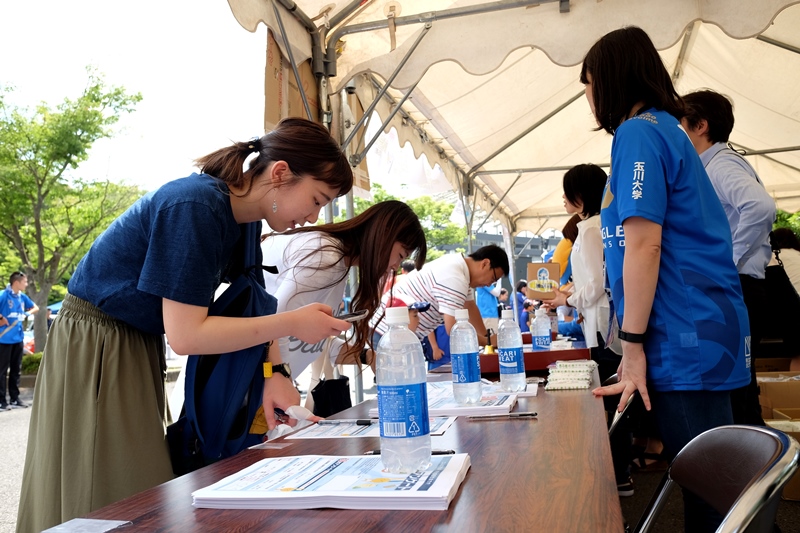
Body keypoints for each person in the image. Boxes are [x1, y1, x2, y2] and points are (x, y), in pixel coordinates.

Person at [16, 117, 354, 533]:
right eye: (317, 199)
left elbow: (253, 304)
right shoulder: (195, 206)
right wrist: (293, 323)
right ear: (281, 173)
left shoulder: (243, 219)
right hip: (98, 339)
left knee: (134, 490)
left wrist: (276, 372)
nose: (315, 215)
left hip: (135, 339)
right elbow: (187, 335)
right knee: (106, 490)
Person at [583, 27, 750, 531]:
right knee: (714, 483)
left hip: (685, 330)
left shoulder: (639, 133)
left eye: (588, 82)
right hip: (697, 324)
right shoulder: (666, 131)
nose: (587, 95)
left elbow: (644, 244)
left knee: (710, 490)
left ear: (610, 79)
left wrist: (632, 343)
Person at [261, 200, 427, 393]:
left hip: (260, 390)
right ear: (385, 234)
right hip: (251, 391)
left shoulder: (337, 263)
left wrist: (368, 356)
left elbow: (312, 345)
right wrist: (279, 376)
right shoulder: (325, 257)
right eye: (400, 255)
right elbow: (273, 328)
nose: (395, 267)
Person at [681, 89, 776, 426]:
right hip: (737, 287)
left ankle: (754, 458)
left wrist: (725, 262)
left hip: (739, 286)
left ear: (701, 125)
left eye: (681, 124)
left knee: (738, 393)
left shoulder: (721, 164)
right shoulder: (712, 165)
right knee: (738, 390)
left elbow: (761, 207)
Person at [542, 164, 631, 495]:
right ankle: (617, 472)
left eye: (568, 192)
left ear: (581, 195)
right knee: (609, 400)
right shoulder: (589, 228)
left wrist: (568, 298)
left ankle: (619, 474)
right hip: (598, 325)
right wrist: (573, 300)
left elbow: (595, 285)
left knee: (612, 401)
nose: (564, 199)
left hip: (606, 328)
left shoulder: (593, 229)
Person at [371, 245, 510, 350]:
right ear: (485, 263)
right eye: (493, 278)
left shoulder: (459, 268)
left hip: (392, 333)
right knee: (395, 379)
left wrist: (487, 339)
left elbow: (470, 307)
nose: (489, 284)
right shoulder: (456, 278)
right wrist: (488, 342)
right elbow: (454, 329)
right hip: (388, 333)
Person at [0, 272, 39, 411]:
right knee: (2, 370)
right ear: (16, 282)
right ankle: (1, 401)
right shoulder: (4, 295)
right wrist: (1, 318)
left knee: (16, 370)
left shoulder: (22, 297)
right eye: (25, 282)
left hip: (18, 338)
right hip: (4, 338)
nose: (26, 284)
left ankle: (15, 398)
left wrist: (26, 314)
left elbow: (36, 307)